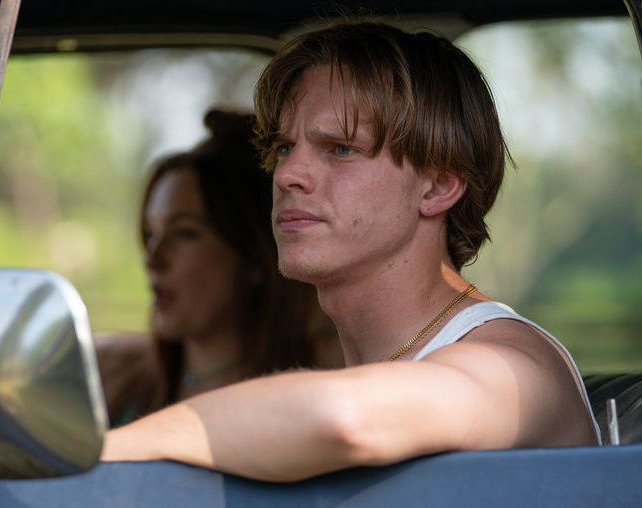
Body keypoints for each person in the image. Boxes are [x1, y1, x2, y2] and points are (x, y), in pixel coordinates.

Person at [101, 21, 600, 481]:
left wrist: (103, 455)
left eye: (340, 149)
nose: (287, 175)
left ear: (438, 187)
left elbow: (341, 420)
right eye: (284, 148)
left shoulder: (511, 367)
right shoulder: (358, 367)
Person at [96, 109, 341, 426]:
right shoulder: (120, 378)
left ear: (253, 256)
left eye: (185, 233)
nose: (152, 258)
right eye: (151, 233)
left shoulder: (316, 395)